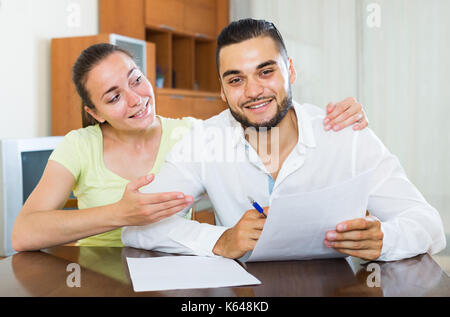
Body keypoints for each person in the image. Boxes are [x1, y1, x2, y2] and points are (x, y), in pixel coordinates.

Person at [121, 18, 446, 262]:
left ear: (290, 71)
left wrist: (383, 239)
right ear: (222, 90)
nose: (253, 91)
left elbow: (429, 225)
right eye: (236, 79)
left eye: (266, 72)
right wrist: (220, 240)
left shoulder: (344, 133)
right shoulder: (204, 140)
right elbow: (136, 227)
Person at [11, 42, 366, 251]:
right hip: (96, 275)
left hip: (171, 268)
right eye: (114, 96)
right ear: (94, 112)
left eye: (137, 79)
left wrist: (326, 120)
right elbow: (24, 233)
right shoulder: (79, 145)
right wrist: (120, 214)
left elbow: (267, 147)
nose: (136, 99)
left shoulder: (196, 134)